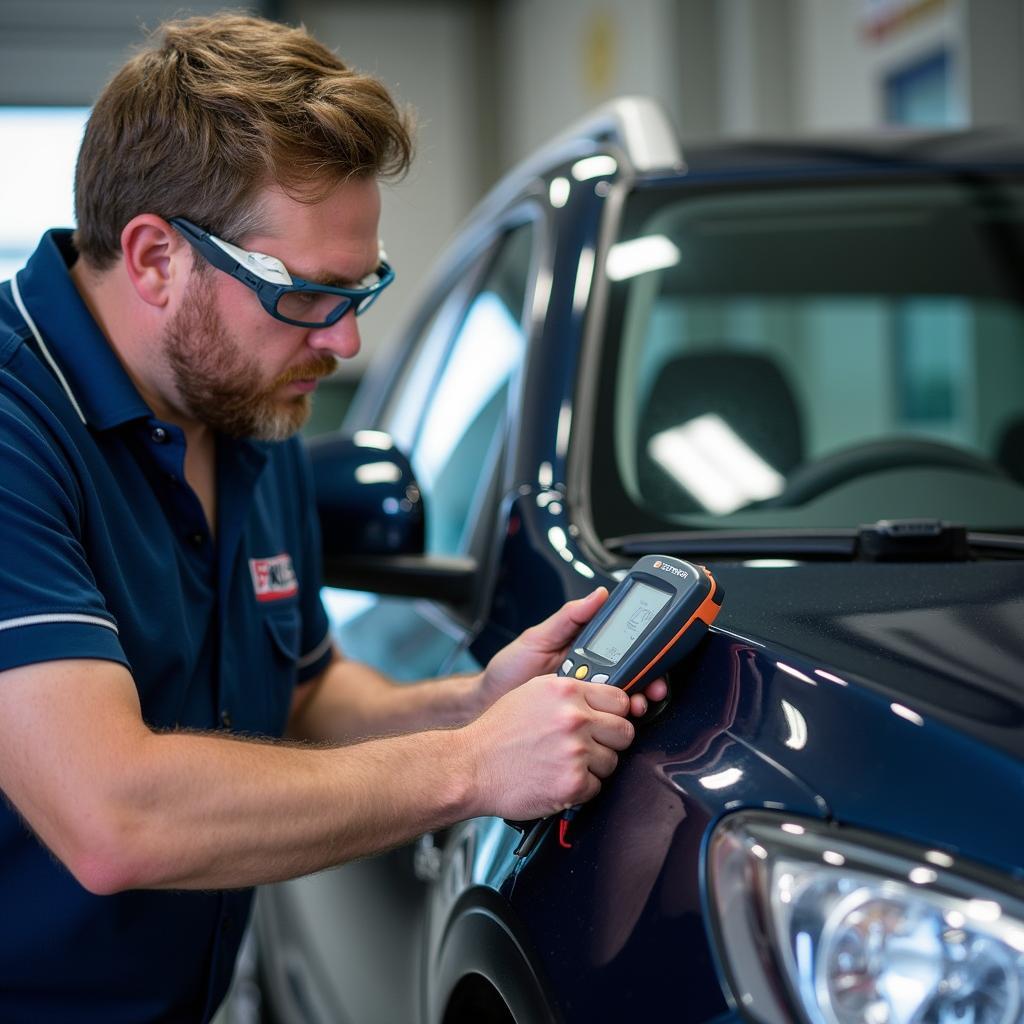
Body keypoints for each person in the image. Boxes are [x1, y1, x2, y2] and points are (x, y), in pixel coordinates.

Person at [0, 13, 665, 1022]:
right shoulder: (18, 432)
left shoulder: (241, 404)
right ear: (152, 259)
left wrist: (470, 703)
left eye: (361, 290)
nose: (348, 341)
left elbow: (309, 693)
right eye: (311, 295)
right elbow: (113, 813)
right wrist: (472, 766)